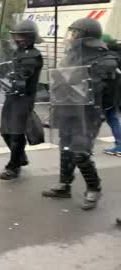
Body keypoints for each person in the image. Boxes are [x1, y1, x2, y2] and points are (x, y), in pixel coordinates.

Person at [42, 18, 119, 210]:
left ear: (86, 36)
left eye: (75, 33)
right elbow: (60, 82)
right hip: (68, 110)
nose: (71, 37)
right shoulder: (71, 56)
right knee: (65, 149)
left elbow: (107, 92)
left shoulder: (105, 60)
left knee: (80, 153)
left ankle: (94, 187)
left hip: (89, 114)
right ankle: (64, 184)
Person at [0, 20, 43, 180]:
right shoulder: (16, 53)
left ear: (30, 37)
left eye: (21, 36)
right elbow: (6, 71)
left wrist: (10, 77)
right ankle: (20, 157)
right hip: (11, 96)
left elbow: (22, 77)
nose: (17, 38)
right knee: (5, 131)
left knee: (16, 133)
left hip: (24, 98)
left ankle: (13, 166)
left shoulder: (33, 55)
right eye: (16, 35)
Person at [101, 34, 121, 156]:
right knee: (112, 118)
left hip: (109, 94)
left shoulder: (110, 57)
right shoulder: (116, 54)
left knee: (111, 119)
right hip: (114, 94)